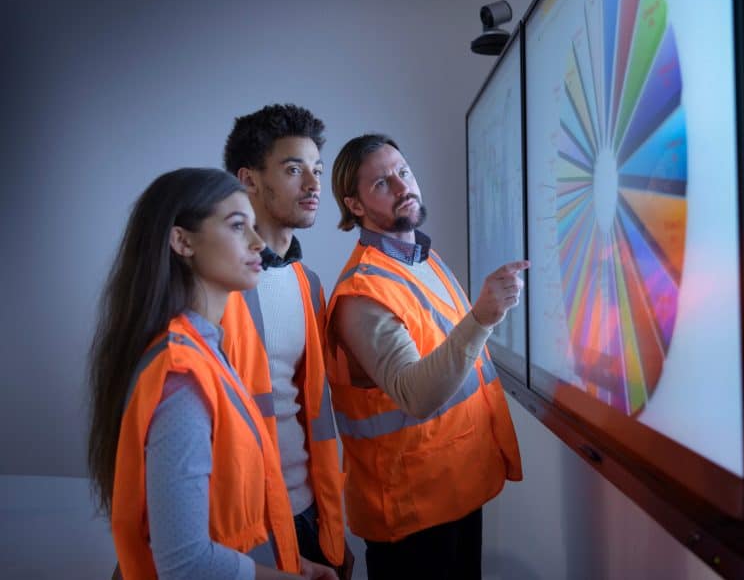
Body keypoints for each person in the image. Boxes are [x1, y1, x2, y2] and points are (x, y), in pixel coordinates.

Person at [86, 167, 337, 579]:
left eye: (254, 227)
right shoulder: (182, 376)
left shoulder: (206, 350)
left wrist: (292, 563)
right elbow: (186, 564)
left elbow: (229, 522)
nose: (258, 243)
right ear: (182, 241)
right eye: (239, 227)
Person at [325, 133, 527, 580]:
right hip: (411, 517)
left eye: (404, 172)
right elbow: (415, 395)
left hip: (453, 489)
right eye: (381, 184)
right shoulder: (362, 294)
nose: (402, 188)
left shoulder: (423, 259)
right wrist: (484, 316)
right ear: (354, 206)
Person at [221, 104, 352, 578]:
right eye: (294, 169)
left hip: (309, 511)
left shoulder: (307, 283)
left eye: (316, 170)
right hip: (241, 523)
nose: (315, 186)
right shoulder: (208, 284)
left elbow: (308, 407)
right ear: (249, 179)